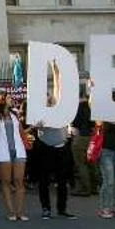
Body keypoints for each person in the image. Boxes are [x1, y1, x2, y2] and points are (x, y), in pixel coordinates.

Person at [34, 61, 77, 220]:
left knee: (62, 181)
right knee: (44, 180)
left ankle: (62, 209)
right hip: (46, 149)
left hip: (61, 148)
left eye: (50, 96)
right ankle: (46, 209)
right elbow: (34, 124)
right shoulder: (39, 112)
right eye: (47, 97)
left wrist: (54, 68)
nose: (50, 97)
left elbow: (58, 84)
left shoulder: (59, 106)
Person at [0, 94, 29, 221]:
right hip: (4, 152)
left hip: (18, 150)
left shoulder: (14, 115)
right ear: (2, 101)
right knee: (6, 182)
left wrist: (34, 127)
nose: (11, 100)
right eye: (8, 98)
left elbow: (21, 132)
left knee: (19, 181)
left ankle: (19, 212)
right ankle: (10, 211)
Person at [71, 81, 99, 197]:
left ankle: (85, 188)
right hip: (92, 137)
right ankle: (94, 187)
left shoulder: (79, 107)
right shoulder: (92, 106)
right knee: (92, 163)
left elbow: (75, 123)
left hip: (81, 136)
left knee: (81, 163)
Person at [97, 121, 115, 219]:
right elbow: (98, 125)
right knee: (108, 180)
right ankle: (104, 208)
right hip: (105, 151)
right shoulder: (103, 117)